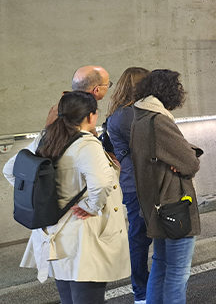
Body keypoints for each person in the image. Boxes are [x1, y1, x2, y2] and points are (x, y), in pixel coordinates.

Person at [4, 91, 130, 304]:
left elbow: (10, 170)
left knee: (69, 298)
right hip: (83, 237)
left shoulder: (46, 139)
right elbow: (101, 183)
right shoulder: (86, 144)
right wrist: (91, 206)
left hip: (53, 233)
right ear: (91, 116)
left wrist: (41, 196)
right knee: (87, 297)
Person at [130, 69, 202, 304]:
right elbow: (189, 163)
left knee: (160, 265)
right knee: (177, 273)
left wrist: (177, 159)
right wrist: (182, 160)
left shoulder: (139, 116)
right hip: (173, 205)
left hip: (154, 205)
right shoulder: (159, 120)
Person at [105, 67, 152, 304]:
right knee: (144, 236)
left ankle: (141, 289)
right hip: (147, 182)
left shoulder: (116, 114)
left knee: (138, 235)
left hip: (130, 182)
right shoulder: (140, 114)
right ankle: (144, 290)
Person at [46, 65, 112, 128]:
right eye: (107, 84)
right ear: (96, 90)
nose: (108, 87)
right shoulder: (81, 113)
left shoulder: (60, 107)